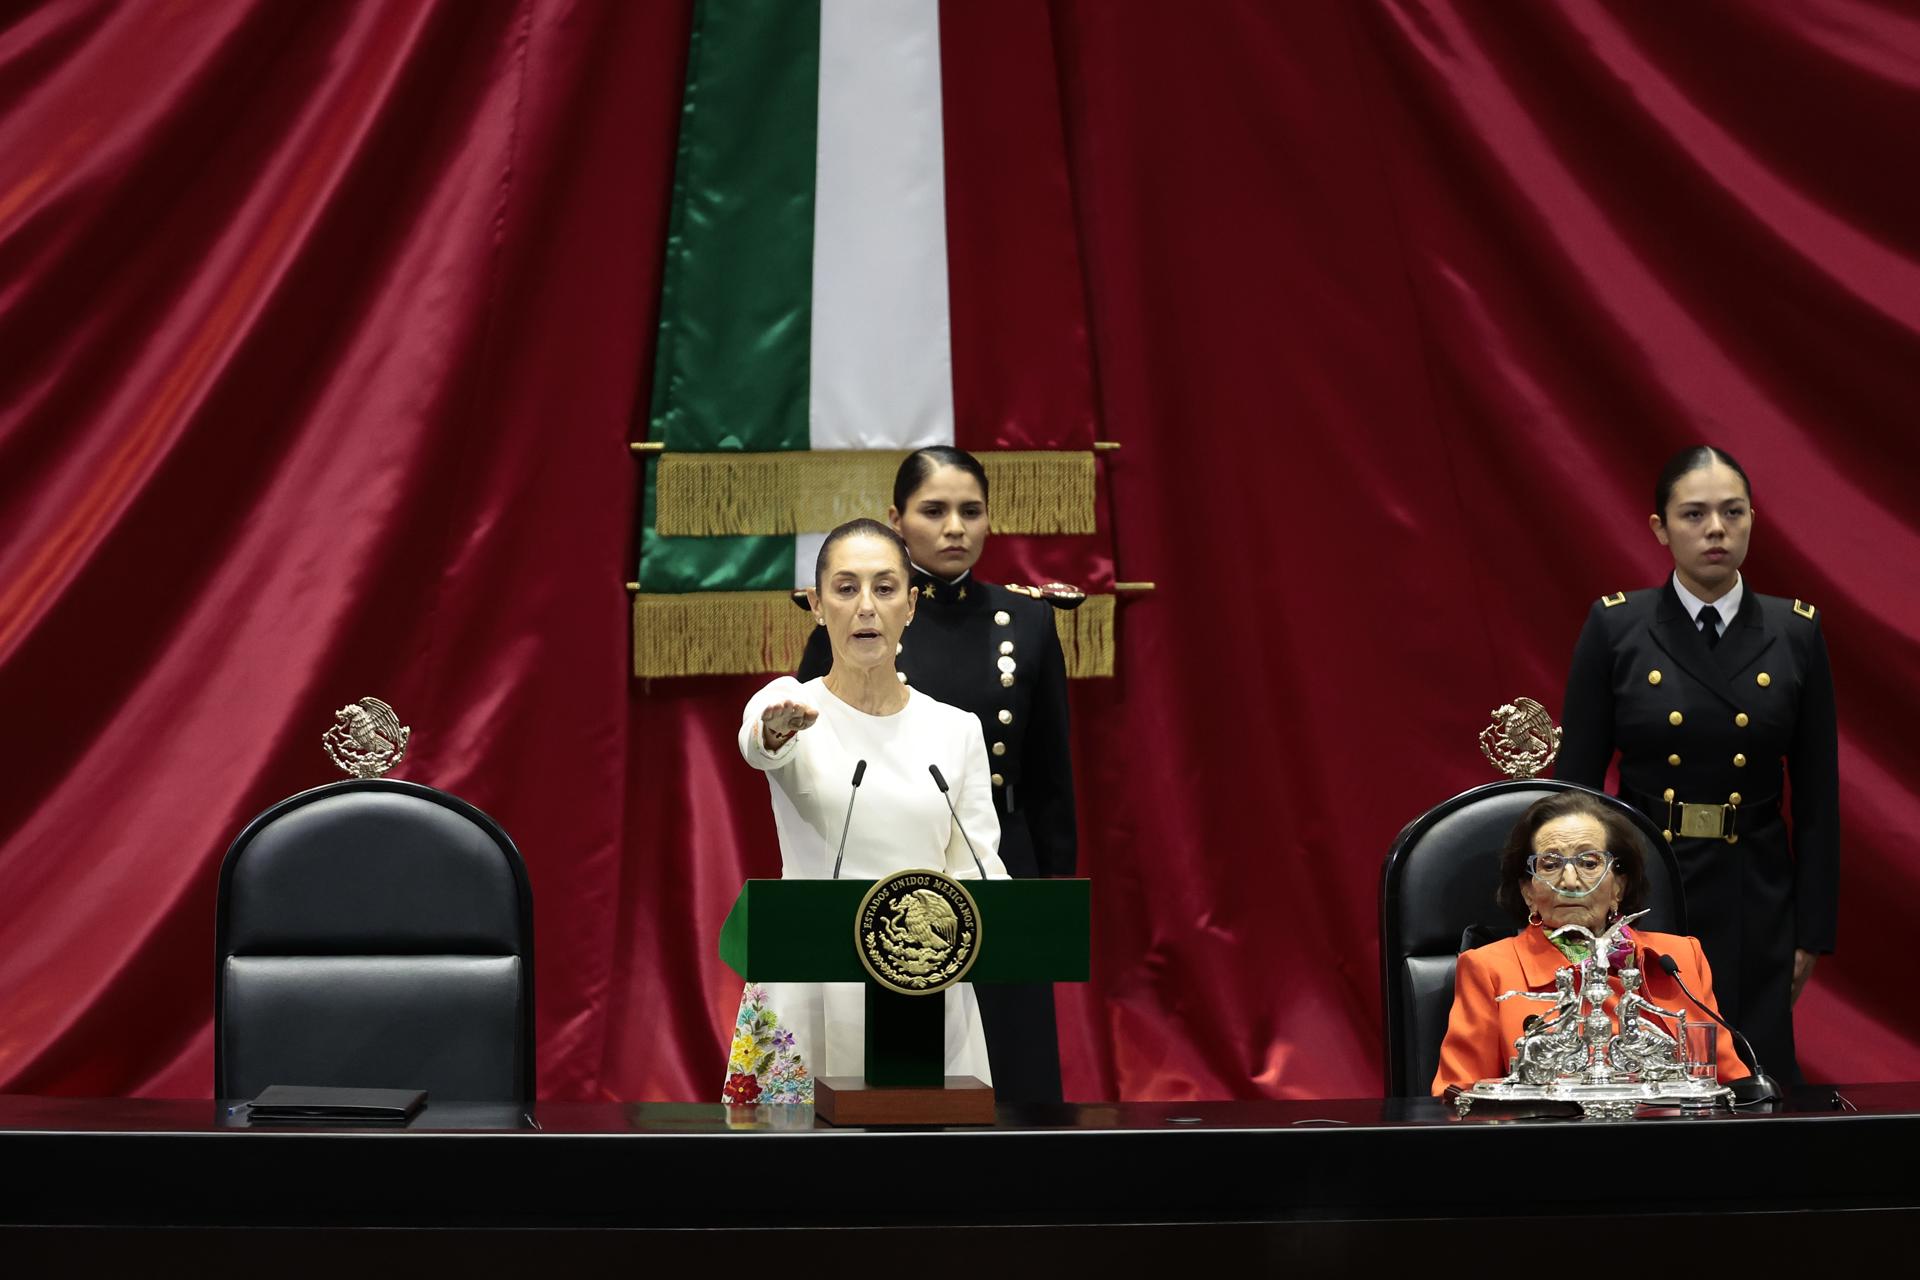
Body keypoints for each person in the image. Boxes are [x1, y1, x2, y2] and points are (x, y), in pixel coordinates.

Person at [797, 446, 1076, 1104]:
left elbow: (1047, 771)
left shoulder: (1027, 621)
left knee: (1011, 1063)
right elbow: (814, 759)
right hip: (887, 866)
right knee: (896, 1065)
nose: (955, 527)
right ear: (897, 520)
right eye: (935, 510)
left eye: (970, 511)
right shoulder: (863, 619)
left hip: (999, 859)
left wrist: (1050, 883)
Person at [1555, 444, 1838, 1083]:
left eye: (1732, 512)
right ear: (1660, 528)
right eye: (1694, 514)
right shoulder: (1618, 628)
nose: (1716, 529)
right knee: (1642, 1083)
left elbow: (1819, 800)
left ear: (1752, 520)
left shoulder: (1794, 632)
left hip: (1755, 893)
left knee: (1749, 1082)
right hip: (1645, 890)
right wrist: (1576, 909)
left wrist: (1810, 932)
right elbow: (1575, 791)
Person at [726, 518, 1007, 1106]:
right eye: (846, 588)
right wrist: (774, 733)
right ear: (816, 603)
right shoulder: (792, 704)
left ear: (911, 603)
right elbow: (759, 743)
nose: (866, 607)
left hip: (925, 987)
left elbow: (982, 873)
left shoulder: (955, 730)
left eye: (884, 588)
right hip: (808, 984)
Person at [1432, 791, 1750, 1093]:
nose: (1569, 881)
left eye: (1588, 863)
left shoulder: (1677, 958)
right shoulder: (1488, 968)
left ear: (1619, 888)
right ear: (1528, 892)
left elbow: (1732, 1087)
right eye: (1550, 864)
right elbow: (1458, 1097)